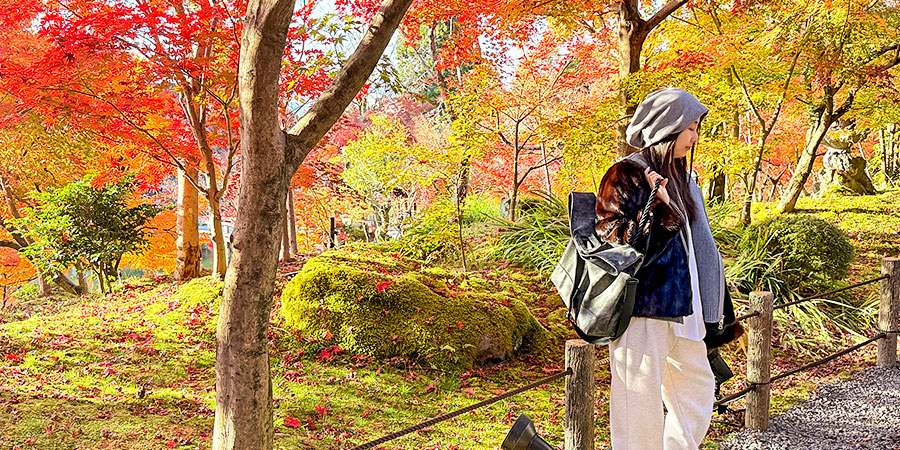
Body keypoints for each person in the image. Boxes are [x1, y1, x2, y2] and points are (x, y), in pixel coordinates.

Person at [594, 87, 737, 450]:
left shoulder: (684, 180)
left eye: (696, 127)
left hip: (684, 309)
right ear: (665, 127)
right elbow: (612, 243)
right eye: (689, 127)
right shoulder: (625, 174)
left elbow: (699, 248)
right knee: (636, 404)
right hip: (642, 309)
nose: (695, 136)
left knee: (698, 389)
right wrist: (657, 209)